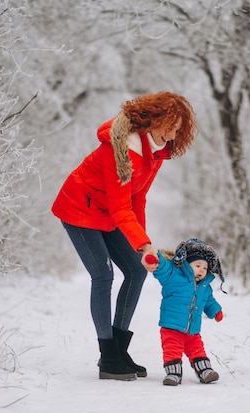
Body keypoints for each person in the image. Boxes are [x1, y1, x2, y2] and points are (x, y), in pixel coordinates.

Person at [51, 92, 198, 381]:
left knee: (135, 270)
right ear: (152, 120)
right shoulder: (122, 151)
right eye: (169, 125)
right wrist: (143, 243)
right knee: (103, 276)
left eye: (178, 129)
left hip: (108, 211)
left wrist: (142, 247)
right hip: (80, 208)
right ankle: (108, 357)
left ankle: (119, 348)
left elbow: (137, 200)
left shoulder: (155, 151)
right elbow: (121, 207)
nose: (172, 134)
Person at [148, 238, 226, 386]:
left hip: (192, 330)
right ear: (186, 263)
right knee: (172, 351)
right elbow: (163, 268)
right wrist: (155, 259)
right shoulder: (173, 275)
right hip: (171, 327)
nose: (202, 270)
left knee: (197, 350)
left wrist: (216, 311)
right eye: (198, 265)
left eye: (205, 268)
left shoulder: (205, 287)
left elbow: (209, 301)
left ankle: (205, 371)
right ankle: (173, 373)